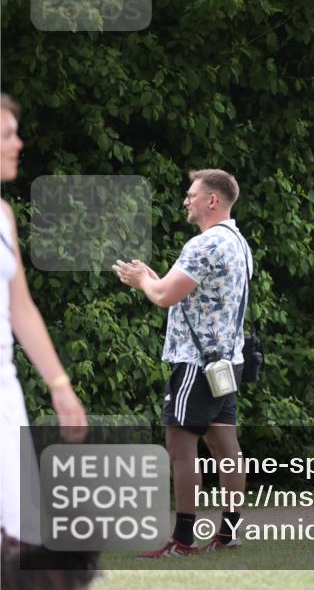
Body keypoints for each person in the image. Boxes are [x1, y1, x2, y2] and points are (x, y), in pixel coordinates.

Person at [114, 169, 252, 557]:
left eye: (192, 195)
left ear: (213, 200)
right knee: (226, 445)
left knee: (180, 446)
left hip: (196, 364)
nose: (186, 200)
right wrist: (154, 280)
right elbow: (188, 294)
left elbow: (162, 296)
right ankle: (228, 532)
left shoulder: (204, 245)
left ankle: (183, 539)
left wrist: (143, 278)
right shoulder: (237, 242)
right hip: (227, 363)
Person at [0, 92, 93, 586]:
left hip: (5, 395)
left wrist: (59, 384)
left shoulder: (4, 217)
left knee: (22, 542)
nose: (18, 143)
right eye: (6, 134)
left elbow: (20, 308)